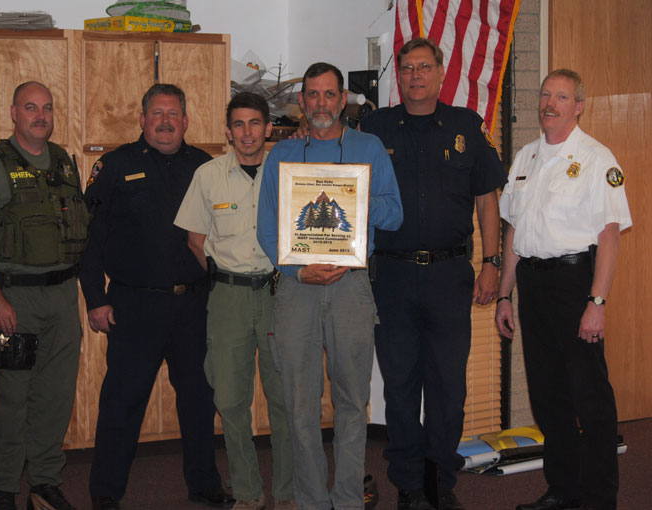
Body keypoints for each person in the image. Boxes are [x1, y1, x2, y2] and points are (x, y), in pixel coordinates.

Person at [360, 37, 506, 510]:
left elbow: (487, 198)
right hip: (393, 278)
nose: (415, 76)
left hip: (450, 276)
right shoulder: (374, 128)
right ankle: (408, 484)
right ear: (397, 76)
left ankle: (440, 481)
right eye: (407, 69)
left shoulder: (466, 126)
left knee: (447, 386)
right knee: (400, 386)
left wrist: (492, 261)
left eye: (424, 67)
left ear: (441, 73)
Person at [80, 83, 234, 510]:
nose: (165, 122)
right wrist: (95, 297)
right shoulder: (114, 166)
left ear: (186, 121)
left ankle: (204, 484)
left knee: (200, 401)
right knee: (122, 402)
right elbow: (90, 239)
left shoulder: (207, 166)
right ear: (142, 119)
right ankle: (106, 491)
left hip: (195, 305)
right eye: (156, 113)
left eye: (173, 114)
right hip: (134, 305)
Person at [257, 62, 403, 510]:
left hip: (351, 288)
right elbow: (266, 228)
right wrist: (298, 271)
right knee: (300, 405)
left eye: (329, 94)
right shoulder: (281, 156)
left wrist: (357, 195)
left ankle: (347, 499)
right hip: (297, 288)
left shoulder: (370, 147)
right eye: (312, 95)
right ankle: (312, 501)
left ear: (343, 100)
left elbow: (394, 215)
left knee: (352, 403)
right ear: (301, 102)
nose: (321, 103)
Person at [496, 69, 631, 510]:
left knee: (589, 397)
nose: (549, 103)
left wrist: (597, 302)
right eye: (545, 94)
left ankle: (597, 497)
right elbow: (514, 231)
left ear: (579, 106)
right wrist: (504, 294)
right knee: (547, 395)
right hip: (533, 287)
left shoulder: (597, 159)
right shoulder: (526, 158)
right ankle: (563, 489)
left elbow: (609, 236)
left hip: (576, 285)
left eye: (562, 96)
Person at [174, 92, 295, 510]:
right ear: (228, 131)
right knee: (229, 399)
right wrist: (221, 271)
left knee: (284, 398)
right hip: (228, 296)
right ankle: (247, 492)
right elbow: (195, 239)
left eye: (255, 123)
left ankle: (286, 493)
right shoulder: (208, 175)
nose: (247, 132)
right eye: (239, 124)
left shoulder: (287, 172)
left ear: (268, 127)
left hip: (280, 294)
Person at [0, 81, 87, 510]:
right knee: (11, 394)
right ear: (13, 113)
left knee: (56, 393)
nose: (40, 115)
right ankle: (4, 485)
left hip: (63, 293)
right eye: (30, 107)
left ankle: (44, 480)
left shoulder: (63, 160)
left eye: (46, 108)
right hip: (15, 296)